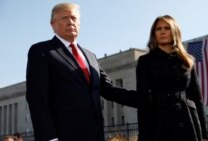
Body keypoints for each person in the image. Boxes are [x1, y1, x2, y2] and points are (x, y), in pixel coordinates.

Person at [26, 2, 137, 141]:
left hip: (95, 135)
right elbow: (37, 98)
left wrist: (150, 99)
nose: (70, 22)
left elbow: (108, 90)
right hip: (63, 135)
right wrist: (49, 137)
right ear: (53, 24)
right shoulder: (41, 51)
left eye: (74, 18)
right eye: (64, 18)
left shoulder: (90, 56)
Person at [136, 15, 208, 141]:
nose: (162, 31)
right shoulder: (145, 61)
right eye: (158, 29)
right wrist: (143, 134)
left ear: (174, 31)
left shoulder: (188, 60)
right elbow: (142, 101)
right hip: (159, 121)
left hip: (188, 120)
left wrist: (205, 132)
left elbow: (197, 97)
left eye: (167, 28)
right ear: (154, 34)